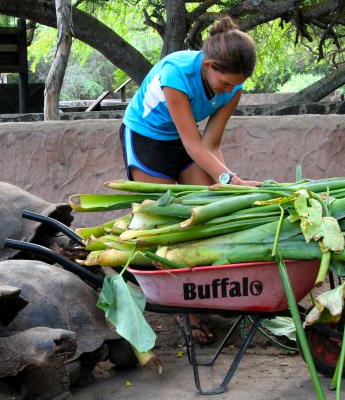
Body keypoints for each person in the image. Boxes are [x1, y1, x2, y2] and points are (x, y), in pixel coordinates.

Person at [120, 16, 259, 344]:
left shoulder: (233, 87)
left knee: (202, 214)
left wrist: (227, 186)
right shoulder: (176, 74)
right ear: (209, 65)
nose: (229, 90)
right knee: (163, 223)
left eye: (234, 85)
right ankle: (186, 313)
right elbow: (193, 144)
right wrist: (233, 181)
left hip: (185, 143)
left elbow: (211, 144)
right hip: (147, 140)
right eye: (224, 84)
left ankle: (203, 292)